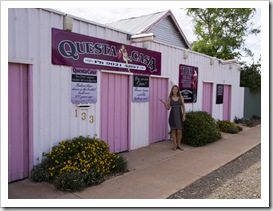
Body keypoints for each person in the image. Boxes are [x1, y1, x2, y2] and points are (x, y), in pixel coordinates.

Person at [160, 85, 186, 151]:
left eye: (176, 89)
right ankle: (175, 145)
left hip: (179, 116)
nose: (175, 90)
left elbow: (183, 106)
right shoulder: (170, 98)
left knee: (179, 131)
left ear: (178, 90)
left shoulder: (181, 97)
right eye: (173, 89)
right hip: (172, 116)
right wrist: (163, 103)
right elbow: (168, 108)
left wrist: (184, 115)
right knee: (173, 131)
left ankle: (179, 145)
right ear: (172, 90)